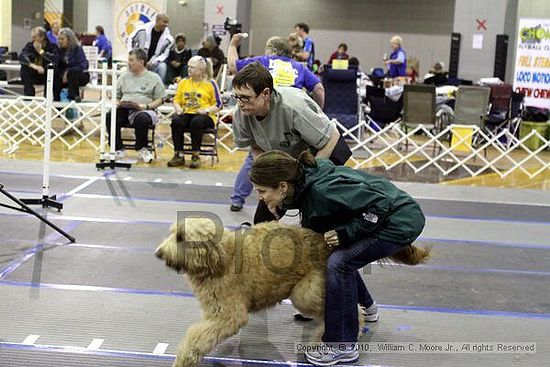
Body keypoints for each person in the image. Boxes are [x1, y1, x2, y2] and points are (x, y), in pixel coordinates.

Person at [249, 150, 428, 365]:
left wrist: (346, 233)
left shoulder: (325, 190)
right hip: (383, 217)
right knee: (335, 257)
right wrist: (279, 208)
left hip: (399, 221)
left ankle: (341, 346)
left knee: (339, 263)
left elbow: (380, 205)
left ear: (283, 186)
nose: (259, 197)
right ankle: (369, 310)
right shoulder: (303, 181)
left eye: (261, 191)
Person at [231, 62, 341, 224]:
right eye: (237, 97)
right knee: (263, 219)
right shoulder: (241, 113)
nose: (240, 103)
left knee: (314, 216)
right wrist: (268, 174)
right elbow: (254, 145)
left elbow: (333, 136)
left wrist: (308, 178)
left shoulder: (294, 107)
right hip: (286, 158)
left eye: (245, 98)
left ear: (266, 94)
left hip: (323, 149)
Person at [227, 33, 325, 212]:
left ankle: (237, 199)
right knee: (297, 161)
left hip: (267, 113)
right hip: (294, 120)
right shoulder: (298, 66)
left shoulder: (262, 62)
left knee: (256, 159)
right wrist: (318, 111)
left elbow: (233, 66)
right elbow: (318, 88)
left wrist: (233, 44)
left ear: (271, 51)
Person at [106, 48, 165, 163]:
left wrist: (146, 106)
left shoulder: (154, 78)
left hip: (145, 110)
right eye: (129, 60)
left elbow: (160, 99)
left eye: (132, 60)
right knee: (110, 116)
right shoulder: (123, 77)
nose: (129, 63)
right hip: (125, 108)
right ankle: (118, 148)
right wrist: (117, 102)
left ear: (141, 62)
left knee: (141, 119)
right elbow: (116, 95)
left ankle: (142, 148)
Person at [168, 56, 222, 169]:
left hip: (205, 116)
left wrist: (206, 111)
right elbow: (176, 99)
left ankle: (196, 155)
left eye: (192, 67)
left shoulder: (210, 83)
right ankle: (179, 154)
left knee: (196, 122)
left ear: (201, 70)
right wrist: (178, 108)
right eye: (188, 67)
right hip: (187, 113)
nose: (189, 70)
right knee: (176, 121)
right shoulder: (183, 82)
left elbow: (219, 104)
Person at [127, 14, 174, 82]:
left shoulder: (169, 40)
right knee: (130, 66)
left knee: (162, 67)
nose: (166, 24)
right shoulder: (142, 30)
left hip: (154, 64)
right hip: (138, 60)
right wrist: (132, 55)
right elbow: (130, 39)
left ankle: (158, 88)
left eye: (167, 22)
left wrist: (152, 63)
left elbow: (164, 55)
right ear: (157, 21)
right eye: (164, 22)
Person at [19, 26, 61, 100]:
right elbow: (22, 56)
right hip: (35, 73)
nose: (33, 39)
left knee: (52, 69)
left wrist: (41, 52)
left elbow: (55, 60)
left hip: (47, 74)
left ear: (42, 37)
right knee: (24, 68)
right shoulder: (30, 45)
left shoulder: (52, 46)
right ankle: (29, 96)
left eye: (35, 37)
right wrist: (34, 66)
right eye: (32, 37)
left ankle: (48, 98)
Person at [57, 28, 90, 101]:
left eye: (62, 39)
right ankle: (55, 99)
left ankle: (74, 97)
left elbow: (83, 66)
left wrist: (67, 71)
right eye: (59, 39)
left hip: (80, 75)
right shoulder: (59, 50)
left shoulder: (77, 49)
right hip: (64, 77)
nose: (60, 41)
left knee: (72, 73)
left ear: (69, 40)